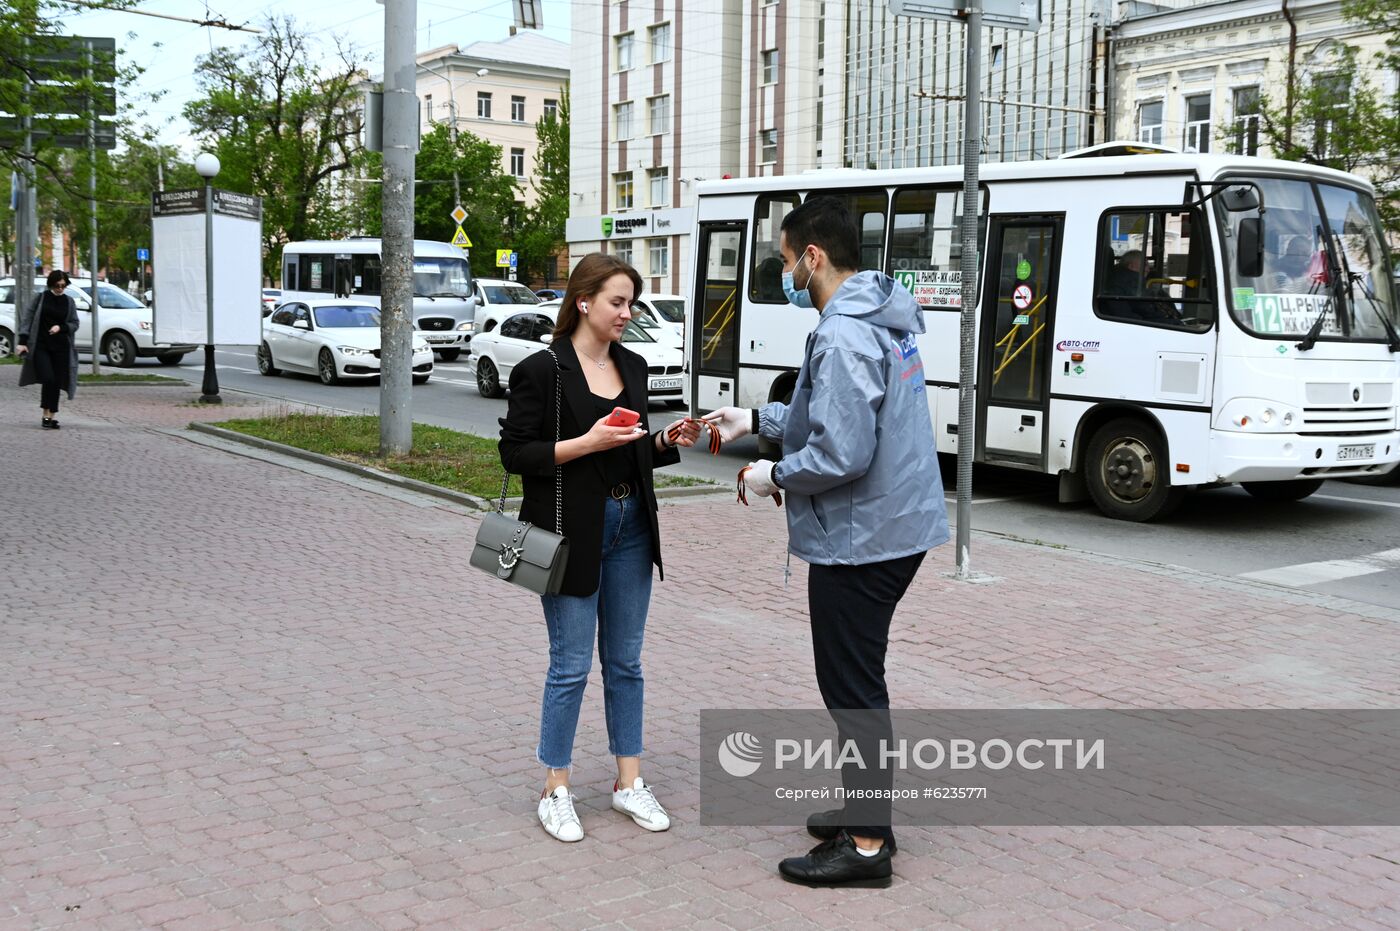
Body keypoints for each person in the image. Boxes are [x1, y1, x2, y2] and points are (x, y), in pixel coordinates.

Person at [703, 196, 949, 888]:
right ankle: (865, 811)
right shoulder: (878, 316)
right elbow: (832, 410)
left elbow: (841, 450)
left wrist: (768, 471)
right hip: (892, 526)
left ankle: (867, 845)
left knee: (852, 688)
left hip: (862, 537)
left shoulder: (841, 334)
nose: (785, 275)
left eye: (785, 261)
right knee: (856, 682)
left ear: (812, 256)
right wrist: (755, 416)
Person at [499, 252, 702, 843]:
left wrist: (664, 440)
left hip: (632, 525)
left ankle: (627, 783)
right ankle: (555, 789)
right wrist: (584, 443)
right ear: (583, 300)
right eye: (618, 301)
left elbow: (629, 448)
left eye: (631, 302)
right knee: (569, 666)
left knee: (627, 662)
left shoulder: (633, 365)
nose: (627, 312)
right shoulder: (543, 370)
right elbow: (516, 456)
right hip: (568, 532)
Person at [16, 269, 80, 429]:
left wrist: (62, 327)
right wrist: (22, 341)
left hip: (62, 348)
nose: (60, 289)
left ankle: (49, 416)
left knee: (56, 381)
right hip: (41, 345)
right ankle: (46, 412)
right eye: (57, 285)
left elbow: (74, 323)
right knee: (48, 378)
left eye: (63, 286)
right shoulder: (41, 298)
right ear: (51, 284)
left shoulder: (69, 302)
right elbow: (28, 319)